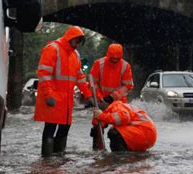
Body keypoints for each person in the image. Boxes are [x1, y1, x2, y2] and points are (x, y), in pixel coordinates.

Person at [34, 26, 93, 157]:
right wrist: (48, 94)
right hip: (53, 98)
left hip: (66, 100)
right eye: (77, 41)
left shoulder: (75, 54)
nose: (77, 45)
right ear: (70, 38)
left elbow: (80, 77)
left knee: (64, 128)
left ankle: (59, 157)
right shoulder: (52, 49)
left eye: (79, 42)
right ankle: (47, 159)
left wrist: (88, 95)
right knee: (50, 128)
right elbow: (44, 74)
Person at [89, 43, 134, 150]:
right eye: (112, 59)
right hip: (101, 101)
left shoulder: (125, 66)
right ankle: (97, 151)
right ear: (108, 55)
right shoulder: (98, 64)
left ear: (120, 57)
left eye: (116, 59)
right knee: (97, 127)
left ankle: (119, 152)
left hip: (119, 103)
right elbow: (92, 83)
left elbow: (128, 85)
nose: (114, 60)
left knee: (119, 130)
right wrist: (99, 97)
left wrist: (112, 97)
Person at [93, 101, 157, 152]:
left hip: (143, 132)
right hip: (147, 135)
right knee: (118, 132)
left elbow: (123, 117)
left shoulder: (116, 106)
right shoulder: (123, 106)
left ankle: (120, 158)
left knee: (114, 133)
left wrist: (101, 116)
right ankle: (125, 155)